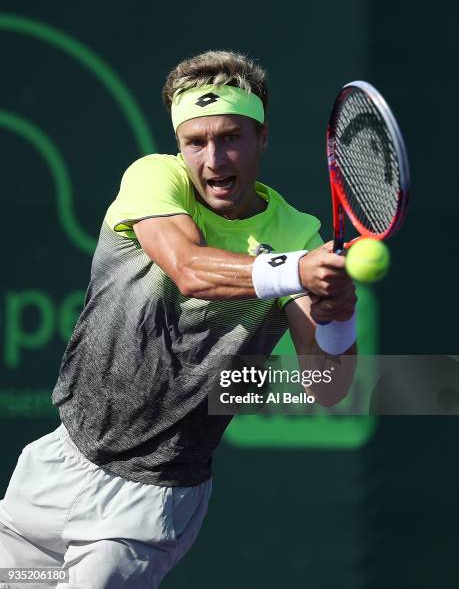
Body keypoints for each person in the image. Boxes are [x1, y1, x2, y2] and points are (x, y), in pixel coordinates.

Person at [0, 50, 357, 588]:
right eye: (197, 141)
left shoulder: (296, 232)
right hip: (55, 468)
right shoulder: (154, 178)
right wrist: (297, 271)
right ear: (180, 146)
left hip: (147, 505)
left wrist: (338, 319)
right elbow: (189, 269)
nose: (214, 159)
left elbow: (330, 388)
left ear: (262, 138)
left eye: (232, 137)